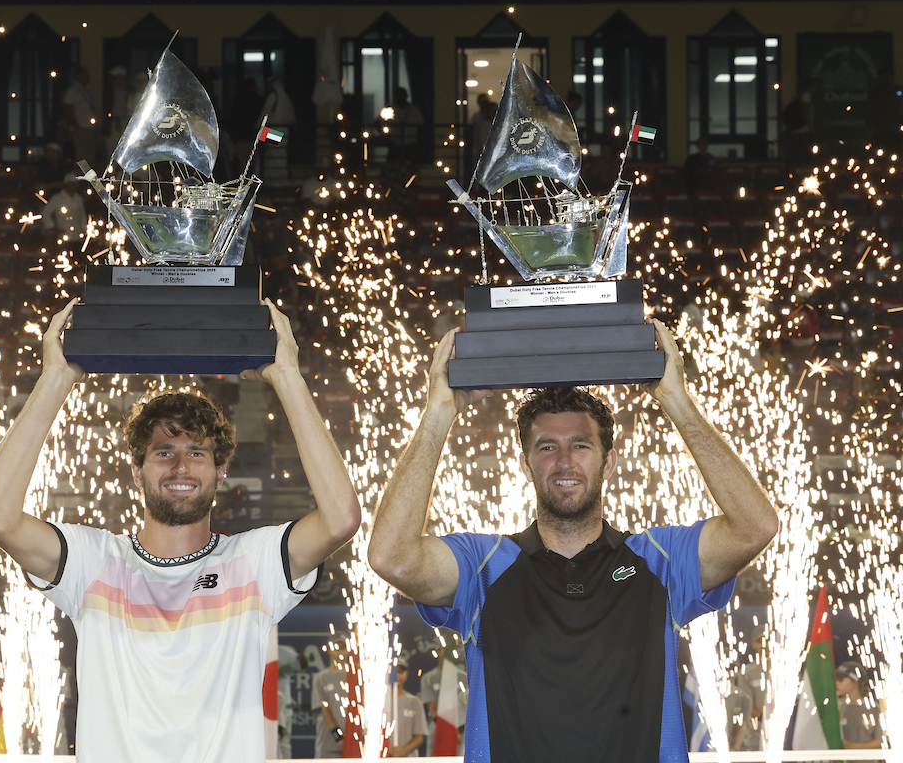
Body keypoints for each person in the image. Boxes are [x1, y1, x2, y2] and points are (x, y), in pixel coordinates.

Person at [367, 322, 780, 762]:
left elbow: (756, 527)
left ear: (610, 461)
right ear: (526, 464)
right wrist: (439, 413)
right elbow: (392, 558)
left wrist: (675, 401)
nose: (564, 461)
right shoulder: (482, 567)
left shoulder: (658, 561)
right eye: (547, 448)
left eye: (581, 445)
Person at [0, 299, 359, 763]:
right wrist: (56, 380)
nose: (180, 465)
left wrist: (288, 379)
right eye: (163, 452)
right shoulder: (94, 561)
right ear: (137, 470)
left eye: (197, 453)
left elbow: (341, 520)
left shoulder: (252, 562)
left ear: (221, 472)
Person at [311, 634, 350, 759]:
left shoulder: (357, 676)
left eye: (343, 647)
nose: (340, 652)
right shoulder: (321, 677)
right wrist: (338, 736)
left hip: (354, 739)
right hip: (328, 742)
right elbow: (325, 708)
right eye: (336, 648)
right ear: (329, 650)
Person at [835, 661, 882, 751]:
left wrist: (852, 746)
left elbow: (880, 741)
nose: (837, 683)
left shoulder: (874, 709)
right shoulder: (836, 708)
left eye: (841, 680)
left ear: (855, 682)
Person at [385, 663, 426, 758]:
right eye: (393, 671)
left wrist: (403, 751)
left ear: (406, 674)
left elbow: (419, 736)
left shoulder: (414, 702)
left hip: (408, 759)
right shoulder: (378, 701)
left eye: (400, 671)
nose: (397, 675)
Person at [63, 66, 100, 167]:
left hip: (90, 128)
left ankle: (90, 178)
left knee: (90, 154)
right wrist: (76, 126)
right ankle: (83, 178)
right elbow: (68, 109)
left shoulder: (86, 91)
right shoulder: (73, 91)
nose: (87, 77)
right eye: (84, 75)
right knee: (82, 155)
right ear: (78, 76)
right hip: (81, 128)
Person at [40, 173, 89, 242]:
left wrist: (84, 228)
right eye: (73, 184)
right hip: (63, 235)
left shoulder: (78, 198)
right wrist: (52, 227)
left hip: (77, 236)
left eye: (76, 184)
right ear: (68, 184)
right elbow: (45, 213)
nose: (76, 186)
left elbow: (82, 215)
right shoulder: (57, 198)